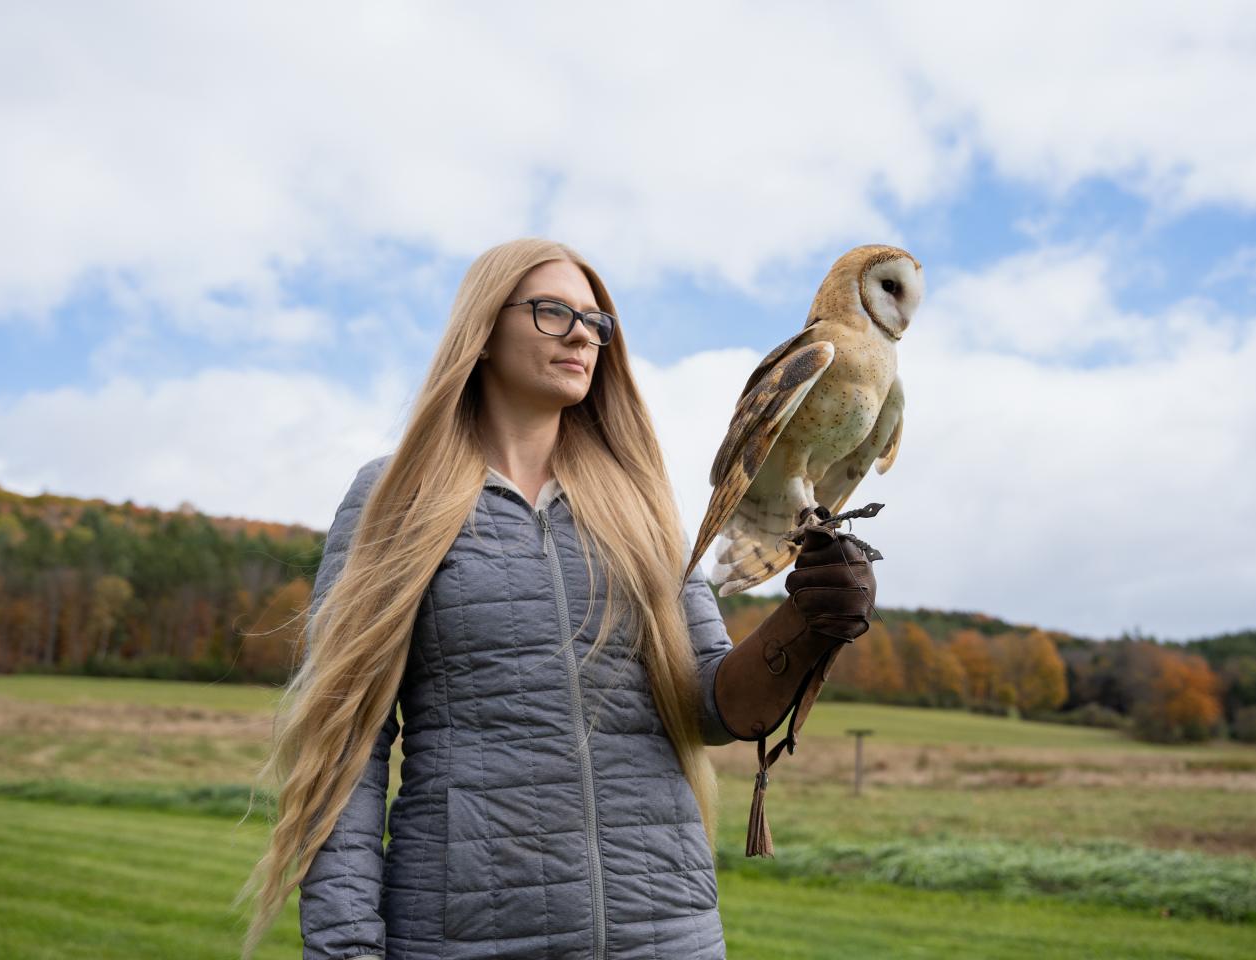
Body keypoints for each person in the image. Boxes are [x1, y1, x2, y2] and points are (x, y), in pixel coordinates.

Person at [237, 238, 877, 960]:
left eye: (596, 321)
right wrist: (345, 949)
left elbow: (712, 706)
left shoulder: (642, 505)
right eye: (552, 312)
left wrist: (806, 622)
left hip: (667, 933)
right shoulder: (396, 497)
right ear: (481, 333)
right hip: (465, 935)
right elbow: (345, 749)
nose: (583, 333)